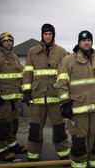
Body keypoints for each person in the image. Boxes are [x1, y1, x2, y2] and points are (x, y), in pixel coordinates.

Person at [56, 30, 95, 168]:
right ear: (79, 42)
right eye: (83, 40)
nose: (86, 42)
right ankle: (79, 165)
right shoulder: (68, 61)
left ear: (92, 42)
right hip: (78, 109)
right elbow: (61, 83)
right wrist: (65, 104)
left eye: (89, 40)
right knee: (79, 141)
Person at [21, 24, 70, 162]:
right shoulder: (32, 51)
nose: (48, 36)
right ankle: (33, 156)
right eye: (45, 34)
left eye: (50, 34)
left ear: (53, 35)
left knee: (59, 129)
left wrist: (65, 96)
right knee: (35, 129)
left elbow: (65, 74)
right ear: (42, 35)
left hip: (55, 97)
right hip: (37, 98)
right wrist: (26, 90)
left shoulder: (61, 51)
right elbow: (28, 72)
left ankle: (63, 154)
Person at [0, 32, 27, 161]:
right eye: (6, 41)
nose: (9, 43)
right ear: (1, 43)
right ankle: (1, 150)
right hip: (2, 99)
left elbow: (22, 74)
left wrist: (26, 90)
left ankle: (12, 144)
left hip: (14, 97)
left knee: (13, 123)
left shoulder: (14, 57)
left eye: (11, 41)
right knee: (3, 125)